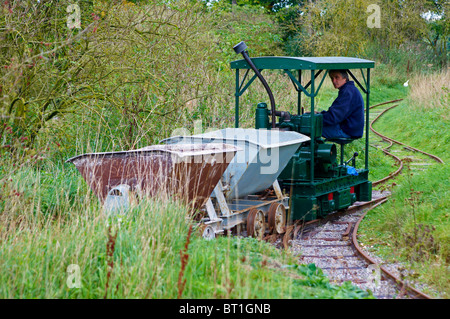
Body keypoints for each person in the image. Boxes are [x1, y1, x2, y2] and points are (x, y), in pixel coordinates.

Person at [319, 69, 364, 139]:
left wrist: (316, 118)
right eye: (332, 78)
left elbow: (334, 117)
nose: (333, 81)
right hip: (349, 128)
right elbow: (337, 113)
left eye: (337, 77)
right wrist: (320, 114)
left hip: (348, 131)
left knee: (312, 129)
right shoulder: (349, 89)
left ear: (345, 78)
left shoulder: (347, 92)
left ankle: (313, 149)